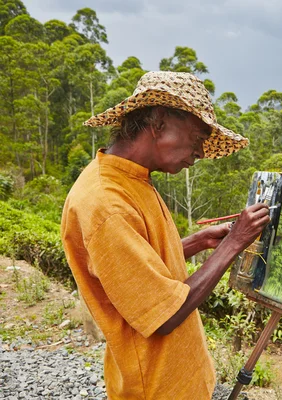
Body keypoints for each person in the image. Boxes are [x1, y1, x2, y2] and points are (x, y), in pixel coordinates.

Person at [60, 71, 270, 399]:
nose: (200, 152)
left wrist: (198, 242)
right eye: (198, 136)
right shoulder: (105, 202)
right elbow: (163, 316)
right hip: (156, 387)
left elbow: (139, 270)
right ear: (158, 122)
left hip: (175, 379)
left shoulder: (131, 179)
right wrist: (233, 243)